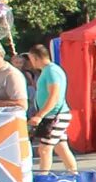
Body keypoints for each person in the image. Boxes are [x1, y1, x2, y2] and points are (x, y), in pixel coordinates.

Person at [21, 44, 75, 173]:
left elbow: (54, 95)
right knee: (61, 147)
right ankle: (73, 173)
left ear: (35, 57)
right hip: (54, 114)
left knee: (44, 148)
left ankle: (44, 176)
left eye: (30, 59)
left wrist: (40, 115)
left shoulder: (51, 71)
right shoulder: (49, 71)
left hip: (55, 114)